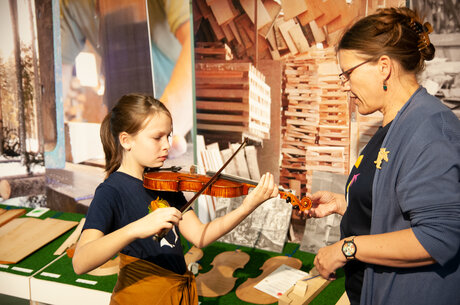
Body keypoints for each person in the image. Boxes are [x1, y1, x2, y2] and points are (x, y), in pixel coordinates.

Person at [306, 7, 460, 305]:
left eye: (348, 74)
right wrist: (345, 204)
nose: (347, 87)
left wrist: (346, 249)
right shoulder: (395, 123)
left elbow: (439, 237)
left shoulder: (429, 130)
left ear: (383, 67)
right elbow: (398, 205)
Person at [72, 93, 279, 305]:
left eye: (168, 136)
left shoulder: (165, 183)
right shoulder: (110, 191)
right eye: (157, 137)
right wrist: (136, 228)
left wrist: (246, 207)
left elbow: (200, 236)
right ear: (126, 140)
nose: (167, 145)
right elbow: (80, 262)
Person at [60, 0, 192, 155]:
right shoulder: (70, 3)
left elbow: (193, 44)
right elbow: (58, 71)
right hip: (128, 132)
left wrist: (162, 127)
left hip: (182, 120)